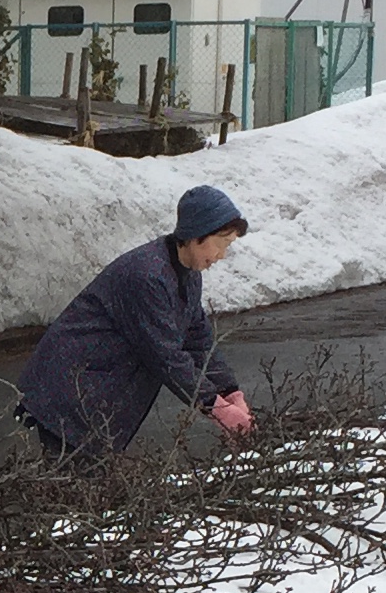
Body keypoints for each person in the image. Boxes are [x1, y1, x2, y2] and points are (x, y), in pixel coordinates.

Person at [16, 183, 256, 463]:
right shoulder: (146, 276)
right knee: (74, 488)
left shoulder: (186, 273)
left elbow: (197, 337)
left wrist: (230, 392)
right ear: (196, 235)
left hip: (97, 394)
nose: (222, 255)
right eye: (222, 244)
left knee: (88, 485)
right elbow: (165, 356)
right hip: (72, 390)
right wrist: (215, 407)